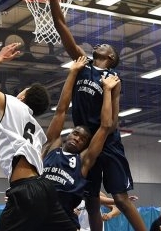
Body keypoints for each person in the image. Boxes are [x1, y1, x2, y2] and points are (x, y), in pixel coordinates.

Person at [49, 0, 147, 231]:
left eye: (105, 45)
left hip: (108, 142)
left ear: (111, 58)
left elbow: (112, 122)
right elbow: (61, 26)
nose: (99, 44)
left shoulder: (113, 80)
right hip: (86, 139)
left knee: (121, 200)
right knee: (91, 200)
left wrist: (107, 95)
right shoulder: (82, 63)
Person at [0, 42, 77, 231]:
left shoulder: (12, 104)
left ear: (23, 96)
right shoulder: (36, 129)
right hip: (44, 187)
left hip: (26, 190)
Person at [41, 56, 120, 228]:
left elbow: (105, 126)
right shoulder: (52, 146)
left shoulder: (83, 161)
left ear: (85, 146)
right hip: (37, 211)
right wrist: (72, 73)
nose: (77, 138)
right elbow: (61, 110)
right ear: (68, 134)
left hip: (63, 215)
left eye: (83, 139)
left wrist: (106, 91)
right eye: (76, 134)